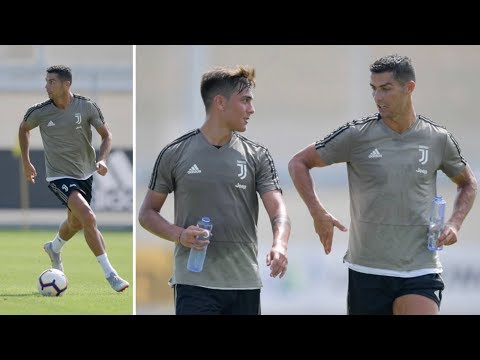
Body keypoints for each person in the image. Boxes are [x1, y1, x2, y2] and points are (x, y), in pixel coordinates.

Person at [288, 54, 477, 315]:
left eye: (386, 89)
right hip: (367, 271)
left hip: (420, 268)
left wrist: (455, 223)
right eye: (373, 89)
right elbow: (299, 162)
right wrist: (317, 212)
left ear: (409, 88)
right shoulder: (356, 135)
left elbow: (468, 183)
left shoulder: (438, 139)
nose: (378, 97)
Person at [138, 65, 290, 315]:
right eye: (245, 101)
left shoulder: (258, 156)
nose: (251, 109)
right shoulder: (175, 153)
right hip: (194, 284)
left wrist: (280, 245)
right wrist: (179, 235)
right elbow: (147, 214)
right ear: (220, 102)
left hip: (245, 284)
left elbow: (278, 210)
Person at [18, 65, 129, 292]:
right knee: (88, 216)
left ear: (66, 84)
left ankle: (54, 247)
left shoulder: (86, 106)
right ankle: (111, 275)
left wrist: (103, 159)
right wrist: (26, 161)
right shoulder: (39, 111)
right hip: (58, 175)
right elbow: (24, 128)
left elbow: (106, 135)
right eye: (46, 81)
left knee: (76, 222)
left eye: (52, 82)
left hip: (86, 173)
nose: (46, 86)